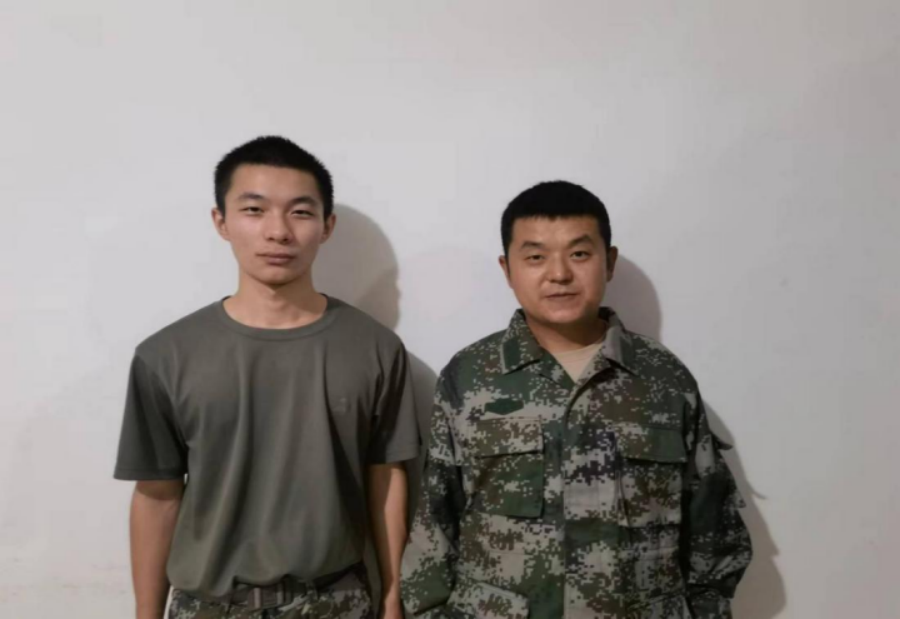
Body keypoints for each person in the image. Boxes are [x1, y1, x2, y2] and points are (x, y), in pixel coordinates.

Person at [401, 181, 751, 618]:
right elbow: (436, 522)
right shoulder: (470, 377)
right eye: (535, 257)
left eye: (579, 254)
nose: (559, 274)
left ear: (610, 262)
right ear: (507, 269)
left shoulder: (663, 378)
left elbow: (712, 527)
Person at [114, 136, 419, 619]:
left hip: (336, 603)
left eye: (300, 212)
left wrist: (393, 598)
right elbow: (157, 496)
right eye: (254, 210)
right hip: (209, 606)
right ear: (221, 221)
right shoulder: (165, 356)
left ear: (326, 226)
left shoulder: (376, 348)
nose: (278, 232)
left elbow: (386, 477)